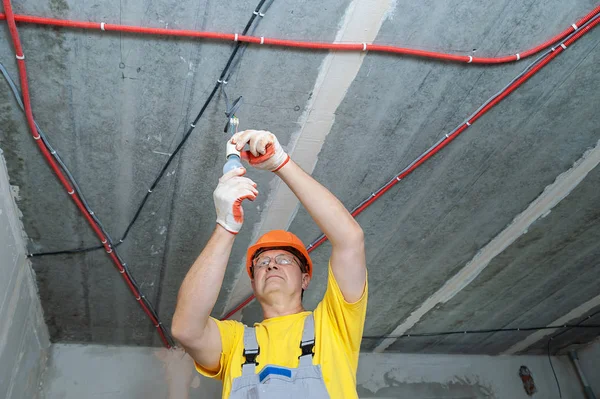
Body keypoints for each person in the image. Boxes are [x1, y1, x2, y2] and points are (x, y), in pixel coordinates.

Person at [172, 129, 367, 398]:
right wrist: (225, 227)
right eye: (262, 262)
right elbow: (185, 329)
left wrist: (280, 163)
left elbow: (350, 239)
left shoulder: (333, 325)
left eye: (284, 259)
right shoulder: (235, 342)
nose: (271, 265)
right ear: (253, 283)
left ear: (305, 279)